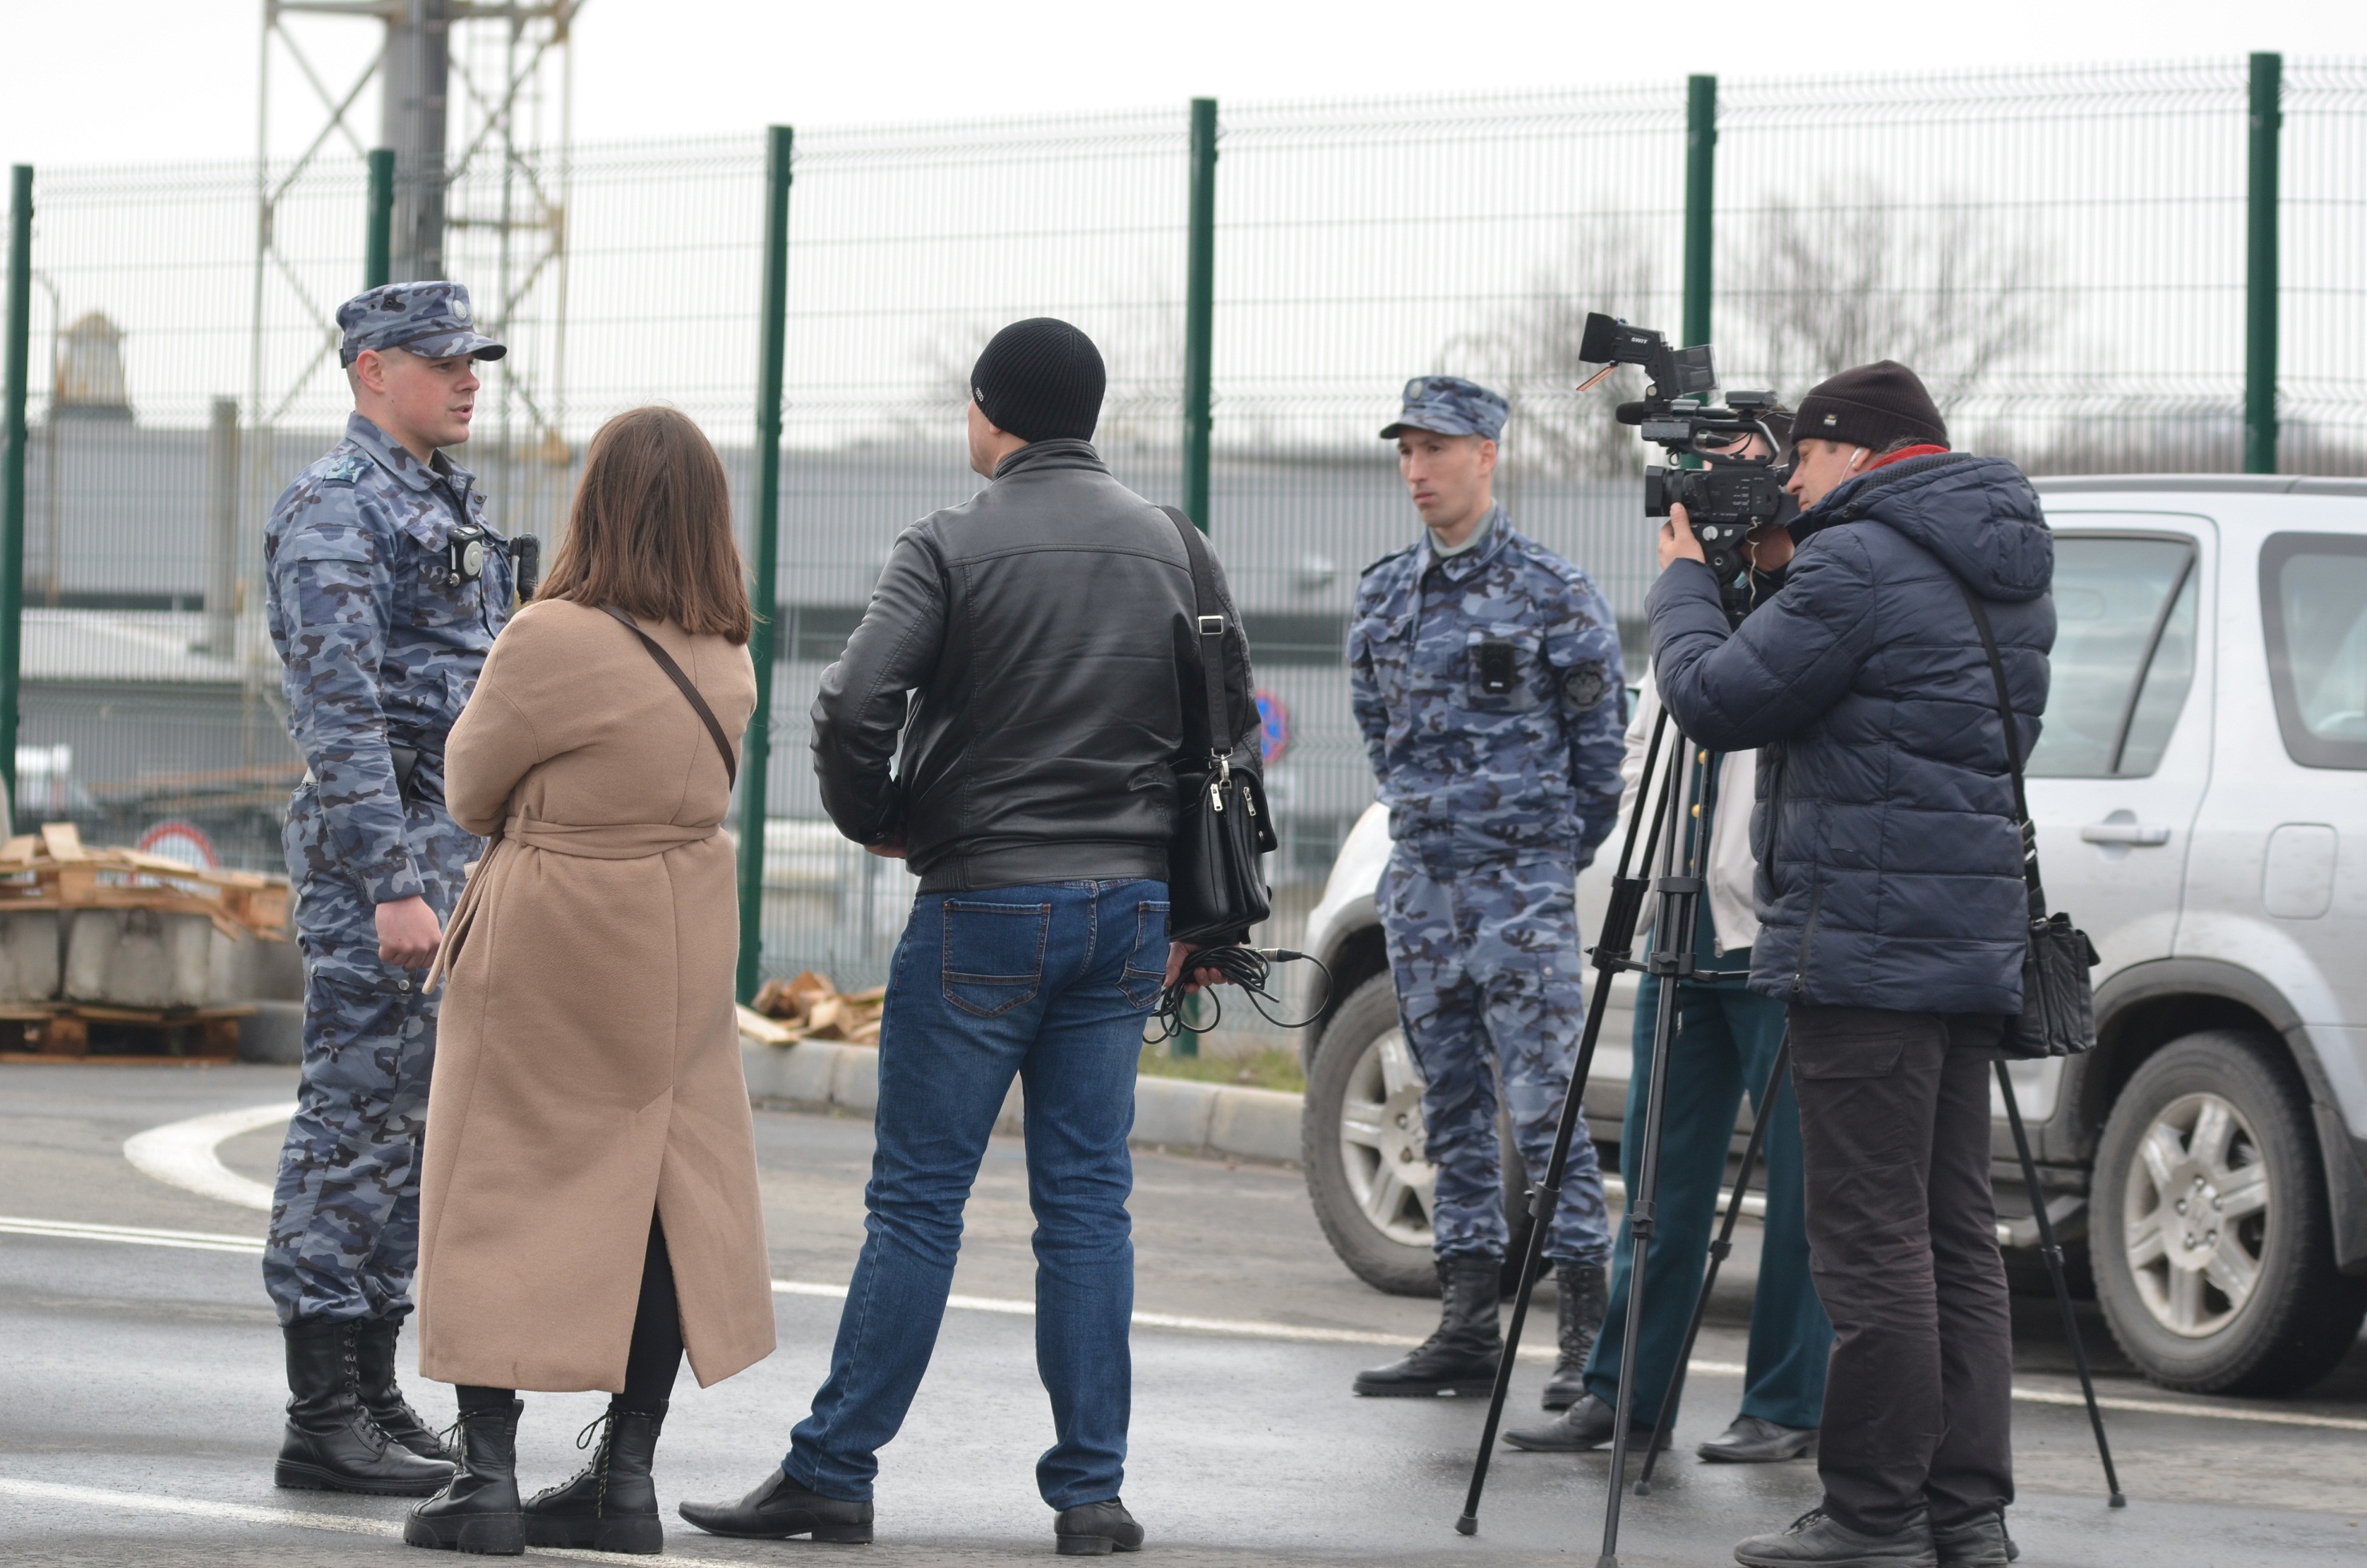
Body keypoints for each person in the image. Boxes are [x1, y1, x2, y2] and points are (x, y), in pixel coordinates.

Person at [679, 318, 1260, 1558]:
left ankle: (833, 1472)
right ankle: (1090, 1496)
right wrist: (1184, 906)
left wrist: (881, 821)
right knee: (1089, 1207)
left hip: (983, 903)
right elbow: (1231, 732)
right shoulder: (1177, 545)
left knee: (918, 1204)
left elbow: (850, 708)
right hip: (1127, 915)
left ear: (993, 413)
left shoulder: (948, 542)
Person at [1647, 361, 2053, 1568]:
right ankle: (1963, 1510)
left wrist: (1683, 582)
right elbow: (1891, 706)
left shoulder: (1857, 561)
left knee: (1870, 1242)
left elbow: (1715, 699)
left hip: (1862, 950)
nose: (1795, 489)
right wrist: (1776, 572)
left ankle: (1871, 1511)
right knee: (1953, 1237)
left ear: (1855, 452)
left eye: (1806, 467)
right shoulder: (2003, 566)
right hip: (1964, 941)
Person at [399, 407, 776, 1556]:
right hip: (679, 937)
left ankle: (488, 1481)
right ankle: (625, 1487)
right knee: (661, 1200)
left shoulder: (549, 636)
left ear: (594, 504)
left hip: (555, 929)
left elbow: (469, 788)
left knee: (497, 1184)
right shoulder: (727, 654)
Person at [1505, 419, 1836, 1463]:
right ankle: (1624, 1391)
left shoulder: (1822, 587)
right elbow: (1659, 726)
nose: (1709, 494)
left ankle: (1784, 1402)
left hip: (1775, 925)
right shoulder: (1699, 597)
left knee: (1799, 1184)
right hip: (1681, 911)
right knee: (1658, 1172)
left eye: (1737, 470)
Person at [263, 281, 511, 1498]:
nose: (468, 378)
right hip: (391, 871)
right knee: (349, 1129)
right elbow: (340, 716)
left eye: (473, 360)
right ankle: (321, 1414)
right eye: (443, 360)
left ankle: (368, 1388)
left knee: (408, 1138)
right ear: (371, 370)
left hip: (448, 861)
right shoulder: (336, 508)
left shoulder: (435, 495)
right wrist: (390, 884)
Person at [1346, 375, 1621, 1406]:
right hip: (1423, 889)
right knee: (1446, 1101)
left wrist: (1539, 857)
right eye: (1407, 450)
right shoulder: (1383, 593)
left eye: (1438, 449)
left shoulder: (1555, 591)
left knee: (1547, 1107)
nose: (1418, 470)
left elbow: (1602, 758)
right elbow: (1382, 733)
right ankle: (1465, 1324)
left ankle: (1583, 1341)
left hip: (1523, 889)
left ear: (1487, 455)